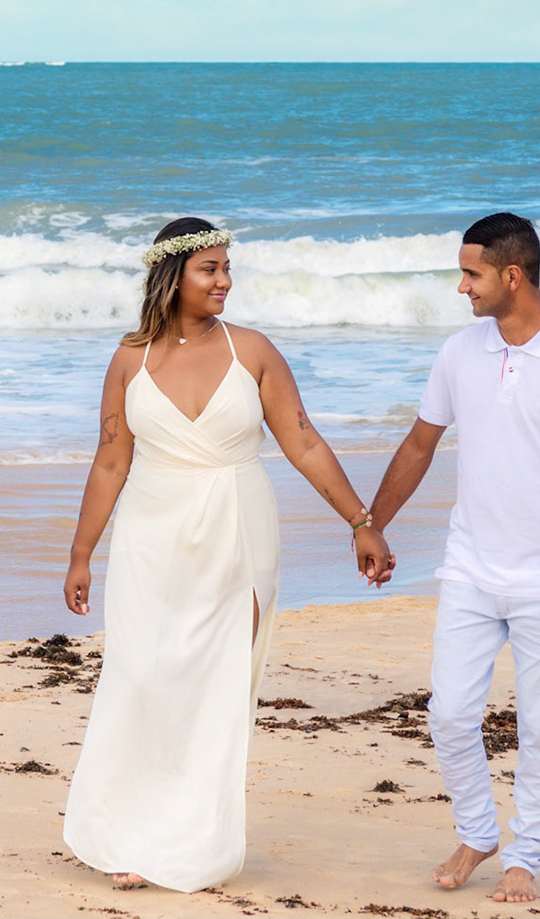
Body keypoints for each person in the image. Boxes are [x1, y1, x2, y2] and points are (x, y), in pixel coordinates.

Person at [61, 216, 395, 893]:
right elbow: (110, 461)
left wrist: (361, 520)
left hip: (240, 529)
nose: (224, 281)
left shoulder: (255, 352)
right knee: (144, 678)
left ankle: (196, 842)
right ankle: (130, 833)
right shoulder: (131, 359)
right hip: (150, 535)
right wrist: (80, 553)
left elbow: (303, 441)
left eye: (226, 268)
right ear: (172, 275)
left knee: (219, 687)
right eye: (209, 269)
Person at [367, 212, 540, 905]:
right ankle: (478, 831)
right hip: (471, 569)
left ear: (513, 276)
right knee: (449, 714)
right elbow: (420, 444)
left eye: (471, 274)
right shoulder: (459, 353)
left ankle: (525, 857)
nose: (461, 287)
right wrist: (373, 524)